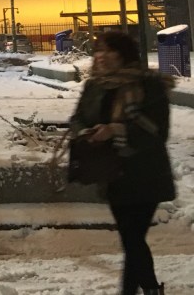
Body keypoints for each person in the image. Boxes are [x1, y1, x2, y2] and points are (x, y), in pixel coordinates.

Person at [69, 31, 175, 295]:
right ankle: (148, 288)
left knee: (132, 236)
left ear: (124, 55)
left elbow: (158, 131)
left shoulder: (148, 85)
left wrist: (116, 130)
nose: (101, 56)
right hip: (112, 173)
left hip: (146, 172)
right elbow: (78, 119)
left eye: (109, 50)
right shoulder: (95, 86)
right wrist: (86, 132)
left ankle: (142, 290)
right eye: (98, 50)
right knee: (131, 238)